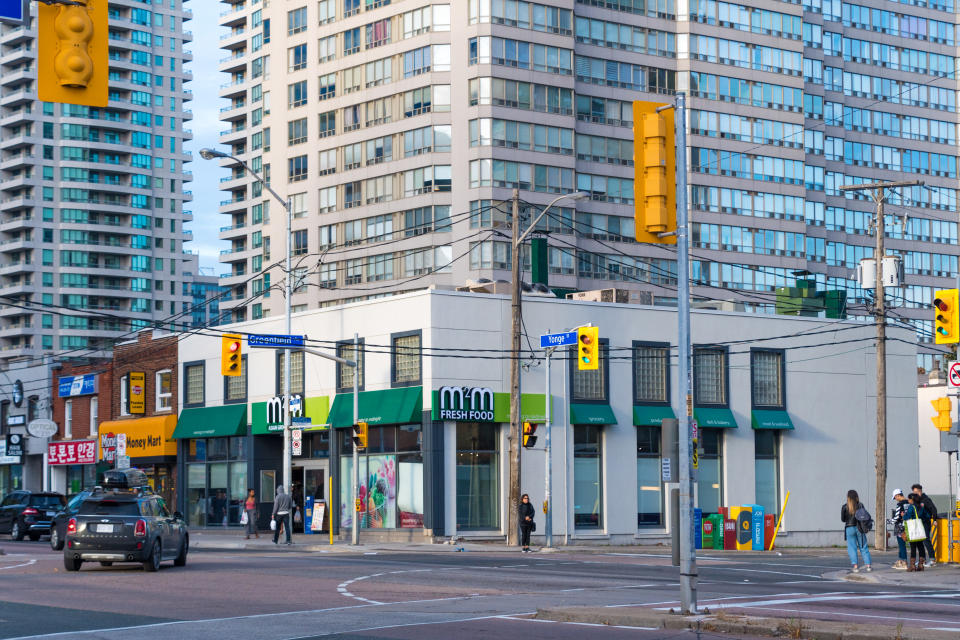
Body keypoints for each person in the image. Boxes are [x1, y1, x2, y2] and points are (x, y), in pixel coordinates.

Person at [840, 489, 872, 573]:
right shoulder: (860, 505)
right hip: (859, 528)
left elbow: (843, 519)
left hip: (849, 528)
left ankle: (855, 567)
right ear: (857, 497)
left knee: (852, 548)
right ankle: (868, 566)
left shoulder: (844, 506)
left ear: (848, 497)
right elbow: (865, 516)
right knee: (863, 546)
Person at [912, 483, 938, 567]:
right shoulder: (917, 500)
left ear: (919, 492)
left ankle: (932, 560)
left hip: (925, 522)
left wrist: (934, 519)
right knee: (920, 541)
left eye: (915, 492)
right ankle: (922, 560)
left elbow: (933, 508)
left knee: (926, 540)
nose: (914, 494)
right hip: (919, 522)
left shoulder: (926, 499)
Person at [904, 493, 928, 571]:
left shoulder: (911, 507)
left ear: (912, 500)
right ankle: (921, 565)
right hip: (920, 529)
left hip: (913, 530)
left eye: (909, 499)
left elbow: (907, 517)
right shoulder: (921, 507)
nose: (908, 500)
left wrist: (903, 515)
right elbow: (927, 516)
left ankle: (912, 565)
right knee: (921, 547)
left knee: (913, 547)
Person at [888, 489, 908, 570]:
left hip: (900, 526)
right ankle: (900, 561)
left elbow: (897, 517)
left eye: (895, 497)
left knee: (901, 544)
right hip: (907, 525)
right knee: (903, 544)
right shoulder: (908, 503)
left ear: (898, 495)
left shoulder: (900, 504)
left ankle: (904, 562)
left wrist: (890, 521)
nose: (895, 499)